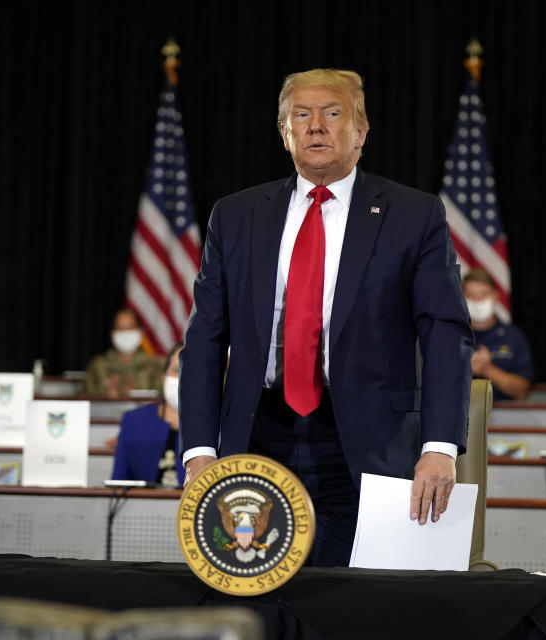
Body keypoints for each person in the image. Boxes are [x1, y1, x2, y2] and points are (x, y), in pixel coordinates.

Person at [177, 68, 474, 566]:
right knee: (257, 594)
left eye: (332, 113)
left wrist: (440, 446)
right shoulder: (235, 215)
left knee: (356, 606)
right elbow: (205, 337)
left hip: (369, 441)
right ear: (284, 132)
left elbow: (444, 333)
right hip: (257, 436)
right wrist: (200, 451)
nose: (316, 126)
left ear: (360, 132)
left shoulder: (413, 214)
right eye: (301, 115)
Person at [111, 343, 185, 486]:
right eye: (176, 370)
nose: (183, 377)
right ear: (164, 378)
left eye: (192, 370)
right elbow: (118, 485)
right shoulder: (133, 422)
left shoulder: (220, 426)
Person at [463, 269, 533, 401]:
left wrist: (487, 369)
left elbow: (522, 391)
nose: (478, 301)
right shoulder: (451, 337)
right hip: (458, 417)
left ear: (495, 296)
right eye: (471, 295)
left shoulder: (513, 337)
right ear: (461, 298)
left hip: (504, 417)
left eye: (483, 294)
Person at [84, 308, 162, 398]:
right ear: (112, 333)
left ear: (141, 332)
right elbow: (84, 403)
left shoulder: (157, 366)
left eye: (131, 328)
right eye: (120, 328)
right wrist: (106, 400)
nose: (125, 333)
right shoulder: (97, 366)